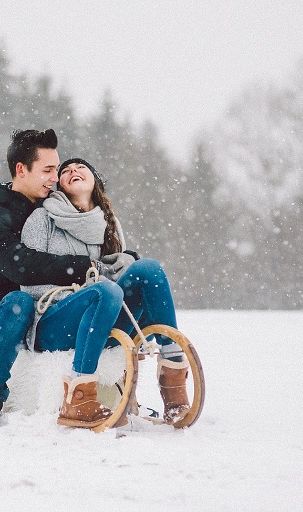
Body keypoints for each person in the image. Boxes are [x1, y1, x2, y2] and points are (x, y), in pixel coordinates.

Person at [20, 157, 190, 425]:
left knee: (148, 269)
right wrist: (83, 292)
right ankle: (79, 396)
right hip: (54, 321)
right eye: (66, 171)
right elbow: (29, 278)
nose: (73, 170)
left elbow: (112, 280)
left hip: (101, 315)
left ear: (95, 180)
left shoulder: (108, 222)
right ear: (60, 185)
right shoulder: (42, 218)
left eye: (81, 168)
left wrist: (121, 267)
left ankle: (172, 377)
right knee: (104, 291)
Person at [0, 129, 96, 428]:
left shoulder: (53, 207)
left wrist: (115, 259)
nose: (55, 177)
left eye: (56, 169)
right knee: (19, 300)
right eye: (47, 170)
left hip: (56, 307)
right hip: (10, 315)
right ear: (21, 170)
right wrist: (82, 266)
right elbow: (21, 266)